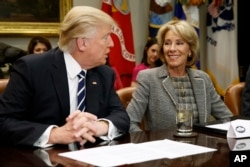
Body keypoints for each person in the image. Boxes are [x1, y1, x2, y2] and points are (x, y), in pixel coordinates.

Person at [0, 6, 130, 147]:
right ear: (82, 43)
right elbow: (4, 121)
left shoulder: (104, 73)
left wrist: (99, 126)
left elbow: (121, 116)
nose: (111, 44)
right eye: (105, 37)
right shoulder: (32, 68)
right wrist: (54, 134)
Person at [127, 19, 233, 132]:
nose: (172, 49)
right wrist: (147, 145)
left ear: (190, 50)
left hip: (202, 146)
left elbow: (227, 119)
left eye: (179, 43)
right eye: (167, 43)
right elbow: (129, 121)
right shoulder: (148, 78)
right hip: (164, 147)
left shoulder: (203, 79)